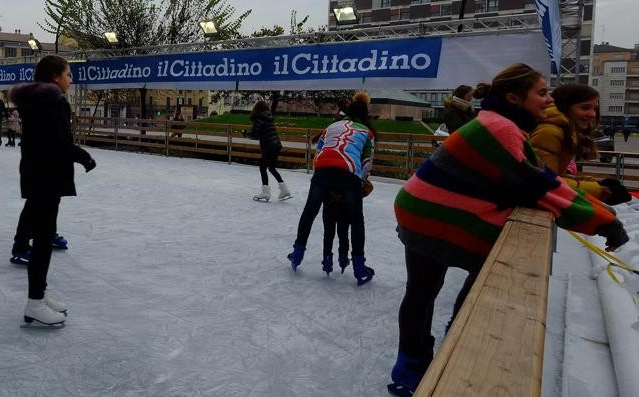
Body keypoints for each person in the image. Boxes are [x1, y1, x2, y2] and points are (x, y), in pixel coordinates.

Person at [386, 64, 630, 397]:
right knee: (452, 283)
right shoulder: (500, 128)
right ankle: (430, 360)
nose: (549, 100)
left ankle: (428, 358)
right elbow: (536, 185)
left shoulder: (503, 123)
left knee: (431, 288)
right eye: (542, 93)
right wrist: (603, 221)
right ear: (515, 98)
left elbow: (542, 179)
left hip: (428, 207)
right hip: (431, 212)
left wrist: (600, 210)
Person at [9, 55, 96, 326]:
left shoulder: (37, 101)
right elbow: (57, 142)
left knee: (44, 237)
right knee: (44, 239)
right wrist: (84, 156)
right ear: (55, 77)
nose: (71, 79)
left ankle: (39, 295)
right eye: (68, 74)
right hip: (46, 175)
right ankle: (35, 301)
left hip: (38, 173)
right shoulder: (52, 102)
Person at [287, 91, 376, 286]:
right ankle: (359, 266)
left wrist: (321, 171)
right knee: (356, 219)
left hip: (323, 170)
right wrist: (361, 181)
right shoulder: (367, 132)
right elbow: (367, 162)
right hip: (349, 172)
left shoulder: (331, 126)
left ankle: (298, 252)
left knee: (309, 212)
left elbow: (318, 151)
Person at [530, 84, 632, 205]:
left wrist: (596, 184)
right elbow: (545, 183)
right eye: (585, 108)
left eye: (595, 108)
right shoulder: (550, 133)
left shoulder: (564, 131)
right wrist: (597, 190)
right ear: (565, 107)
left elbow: (554, 175)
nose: (592, 114)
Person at [248, 101, 291, 202]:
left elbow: (255, 134)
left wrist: (246, 133)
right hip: (276, 145)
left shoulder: (259, 118)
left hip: (268, 146)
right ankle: (284, 189)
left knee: (263, 167)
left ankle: (266, 192)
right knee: (271, 167)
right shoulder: (269, 117)